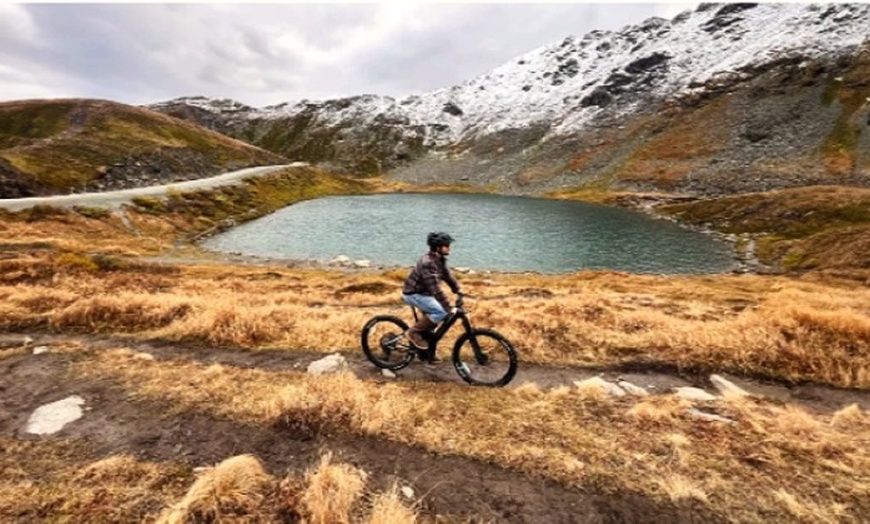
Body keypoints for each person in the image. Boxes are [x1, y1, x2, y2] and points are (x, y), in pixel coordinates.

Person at [402, 231, 463, 360]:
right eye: (446, 245)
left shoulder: (439, 260)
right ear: (437, 247)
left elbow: (448, 276)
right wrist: (447, 307)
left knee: (432, 325)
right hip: (414, 293)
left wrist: (458, 290)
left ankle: (427, 354)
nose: (449, 248)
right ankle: (413, 333)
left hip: (425, 294)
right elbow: (435, 289)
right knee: (440, 312)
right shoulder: (428, 263)